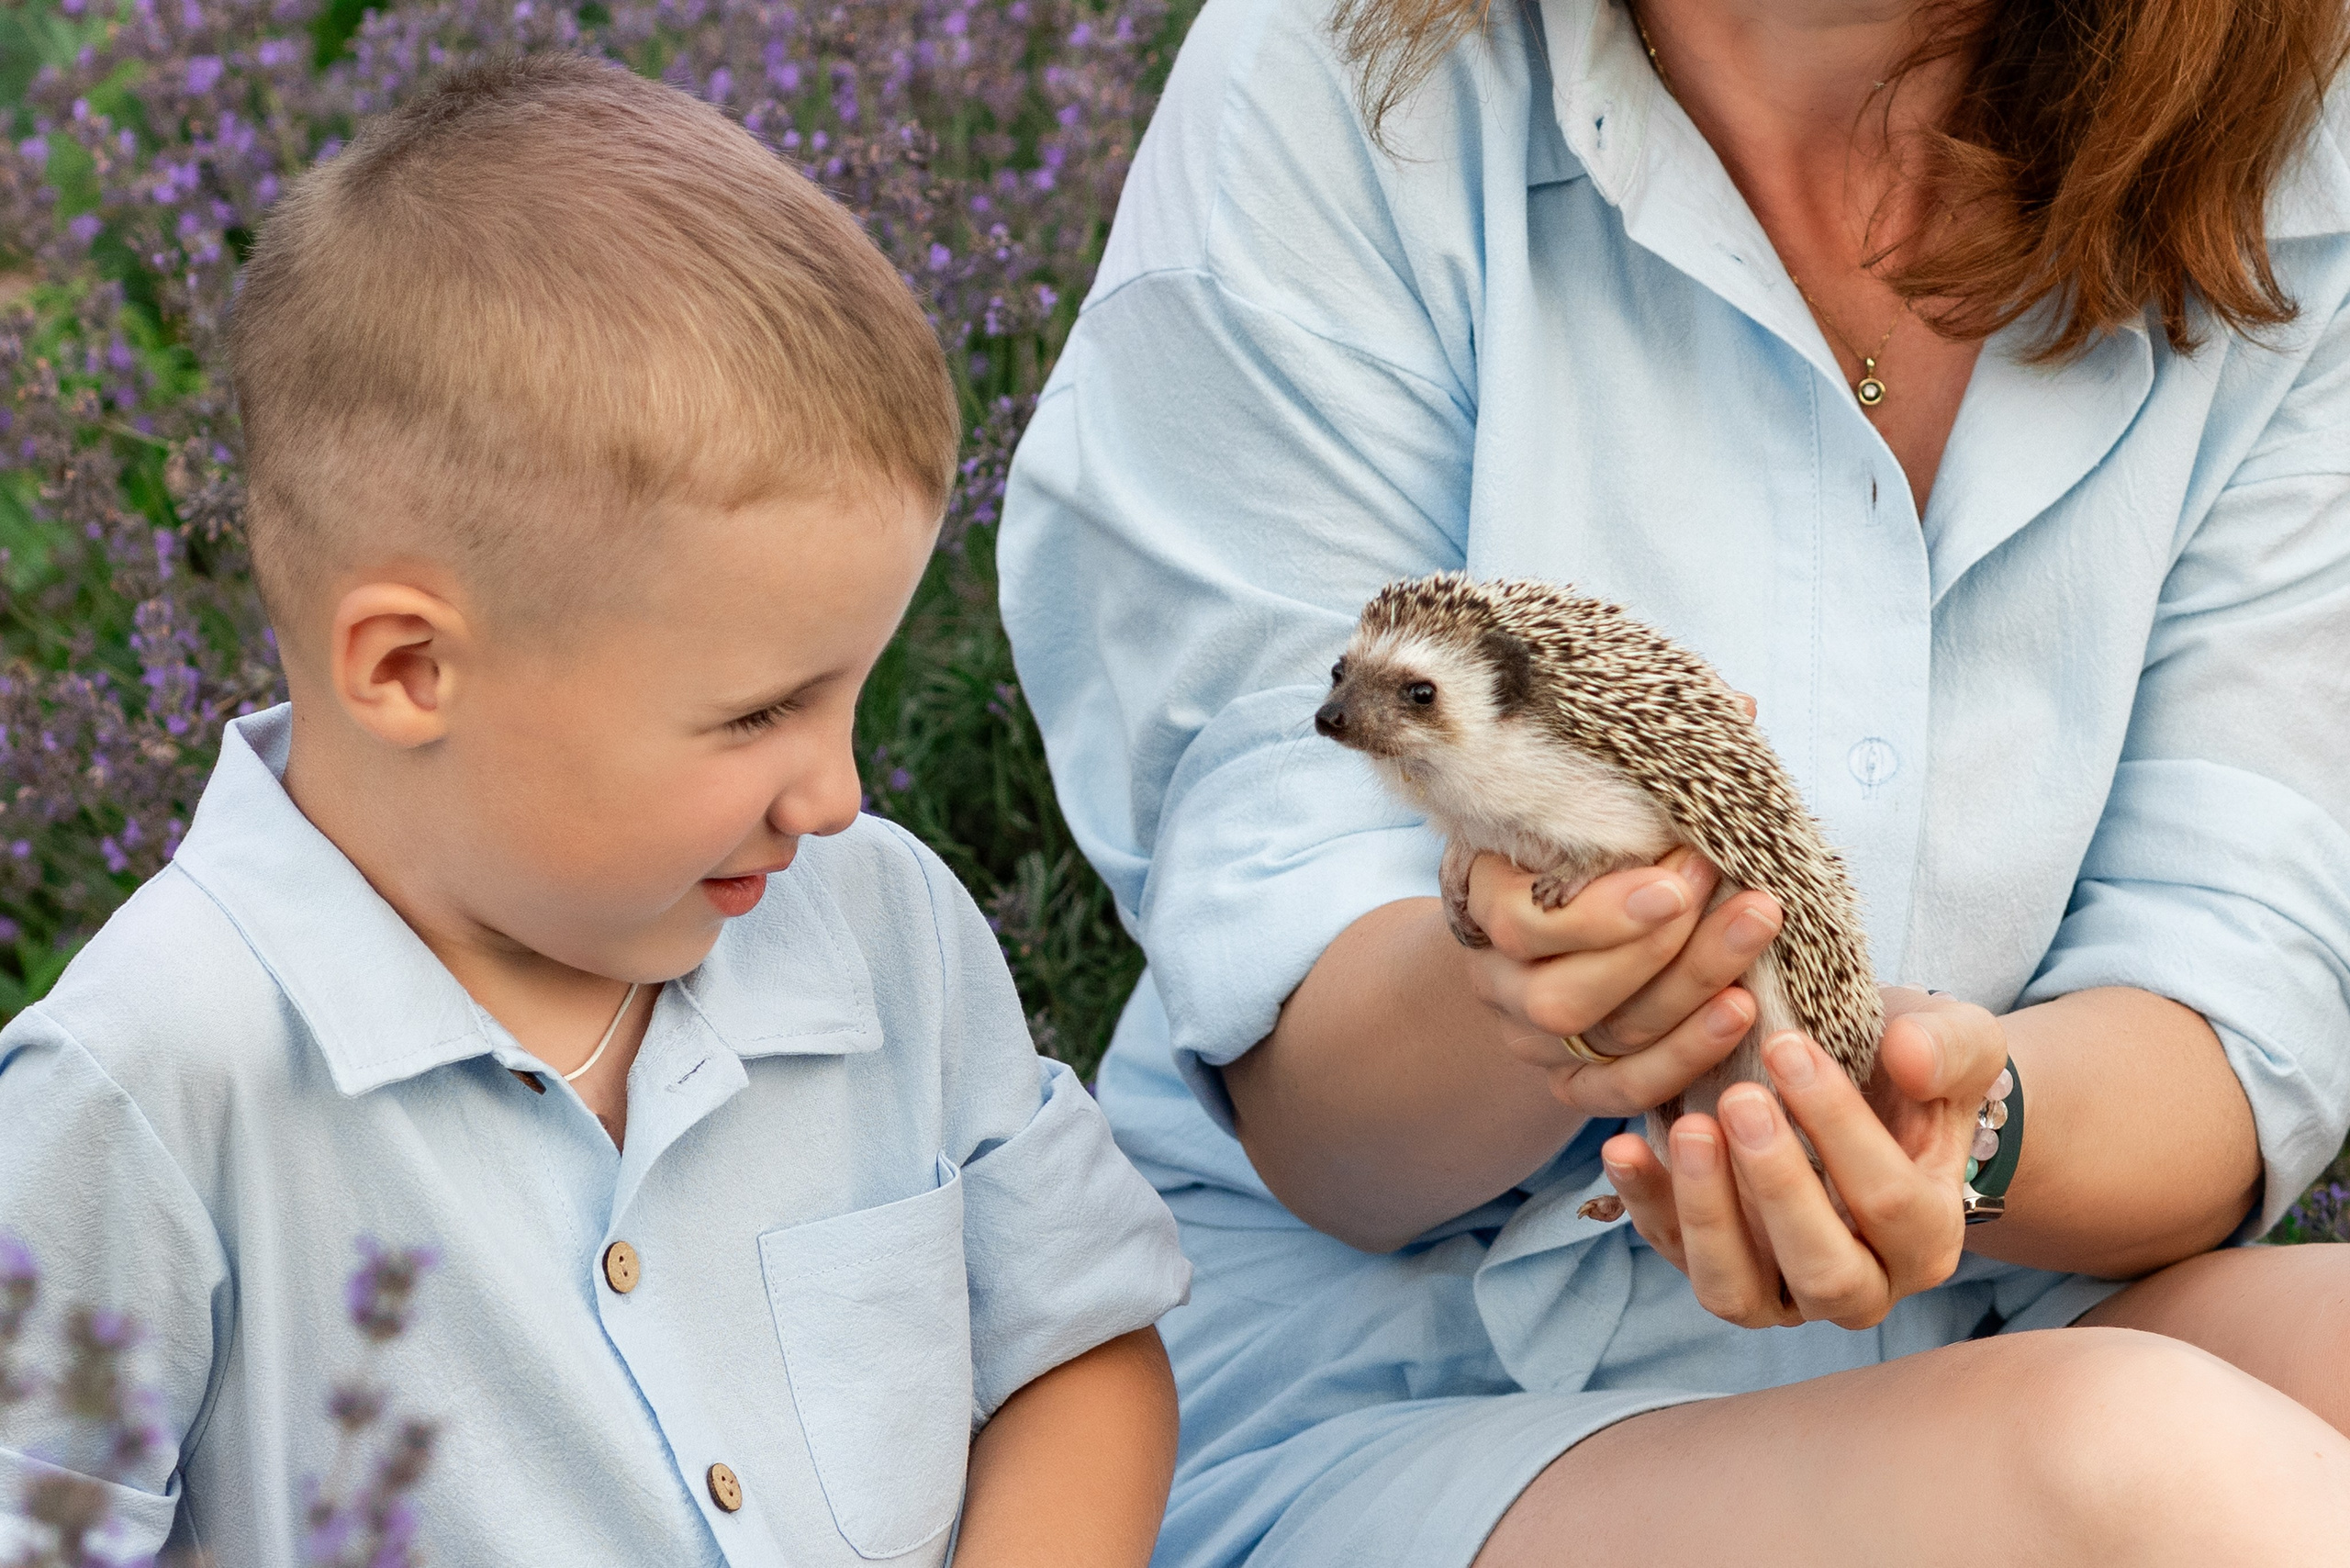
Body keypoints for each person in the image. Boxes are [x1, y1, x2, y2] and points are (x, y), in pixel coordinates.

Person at [999, 0, 2350, 1559]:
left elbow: (2233, 993)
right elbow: (1320, 1116)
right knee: (2140, 1465)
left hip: (2005, 1297)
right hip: (1415, 1384)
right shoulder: (1345, 70)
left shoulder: (2288, 135)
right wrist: (1548, 995)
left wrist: (1940, 1128)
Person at [0, 55, 1190, 1568]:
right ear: (412, 668)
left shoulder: (881, 926)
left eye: (852, 696)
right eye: (759, 714)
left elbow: (1072, 1349)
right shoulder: (154, 1083)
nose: (837, 792)